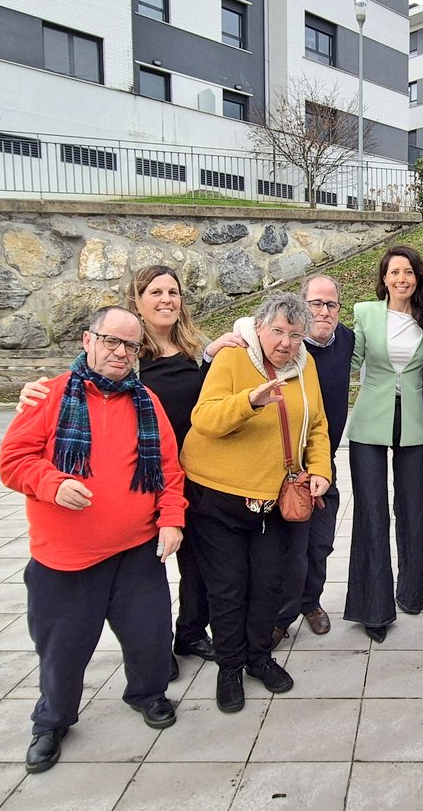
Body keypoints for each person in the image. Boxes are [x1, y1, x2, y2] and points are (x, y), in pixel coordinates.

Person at [17, 265, 246, 671]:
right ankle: (152, 645)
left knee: (198, 561)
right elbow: (77, 379)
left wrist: (215, 357)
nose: (166, 299)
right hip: (147, 477)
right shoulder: (127, 352)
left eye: (173, 292)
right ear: (137, 301)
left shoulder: (197, 349)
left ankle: (190, 631)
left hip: (196, 472)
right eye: (155, 291)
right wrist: (32, 392)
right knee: (150, 568)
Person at [0, 306, 186, 774]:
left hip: (136, 551)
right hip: (65, 559)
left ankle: (147, 693)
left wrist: (171, 519)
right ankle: (52, 721)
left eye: (130, 345)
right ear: (89, 340)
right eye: (112, 341)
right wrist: (52, 483)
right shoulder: (51, 396)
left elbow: (169, 471)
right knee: (62, 651)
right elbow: (13, 460)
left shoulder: (147, 402)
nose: (121, 352)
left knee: (150, 637)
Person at [180, 293, 331, 714]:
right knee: (229, 589)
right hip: (219, 496)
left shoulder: (306, 368)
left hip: (274, 500)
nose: (285, 342)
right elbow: (204, 418)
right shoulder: (232, 358)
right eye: (278, 331)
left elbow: (317, 425)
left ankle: (259, 658)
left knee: (268, 586)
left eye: (295, 335)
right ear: (260, 327)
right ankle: (229, 668)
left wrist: (320, 469)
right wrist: (249, 402)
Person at [344, 246, 423, 642]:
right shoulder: (365, 313)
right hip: (369, 424)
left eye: (408, 271)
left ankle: (412, 592)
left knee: (414, 508)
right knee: (372, 513)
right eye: (394, 271)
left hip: (415, 424)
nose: (402, 278)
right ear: (383, 278)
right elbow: (350, 361)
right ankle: (373, 609)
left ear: (418, 277)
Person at [272, 275, 355, 645]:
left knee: (320, 541)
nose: (323, 311)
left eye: (331, 304)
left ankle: (311, 603)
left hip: (325, 461)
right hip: (286, 465)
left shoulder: (347, 341)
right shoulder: (286, 347)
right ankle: (279, 615)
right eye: (315, 304)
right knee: (291, 544)